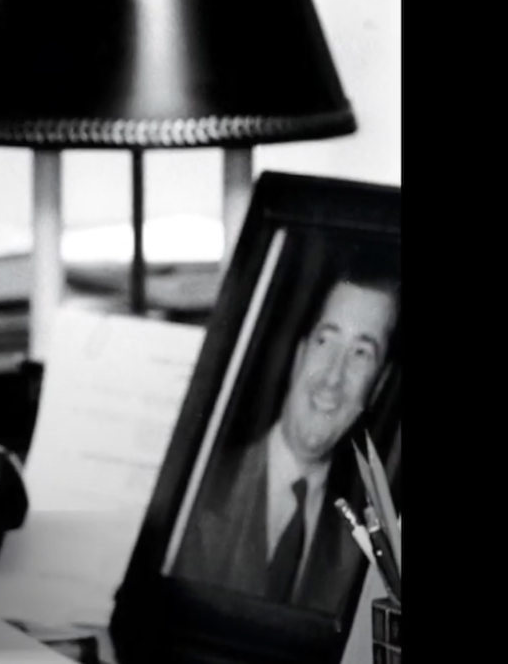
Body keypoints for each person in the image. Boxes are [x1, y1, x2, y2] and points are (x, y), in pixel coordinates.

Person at [171, 261, 400, 614]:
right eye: (326, 341)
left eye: (361, 353)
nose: (333, 378)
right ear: (298, 354)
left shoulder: (359, 555)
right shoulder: (195, 490)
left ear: (378, 386)